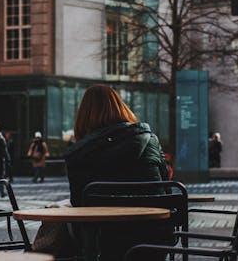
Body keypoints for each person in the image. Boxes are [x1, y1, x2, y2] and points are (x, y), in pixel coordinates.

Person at [65, 84, 170, 261]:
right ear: (121, 107)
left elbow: (79, 206)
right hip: (156, 237)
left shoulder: (78, 153)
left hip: (104, 242)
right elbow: (166, 187)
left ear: (83, 115)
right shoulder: (149, 138)